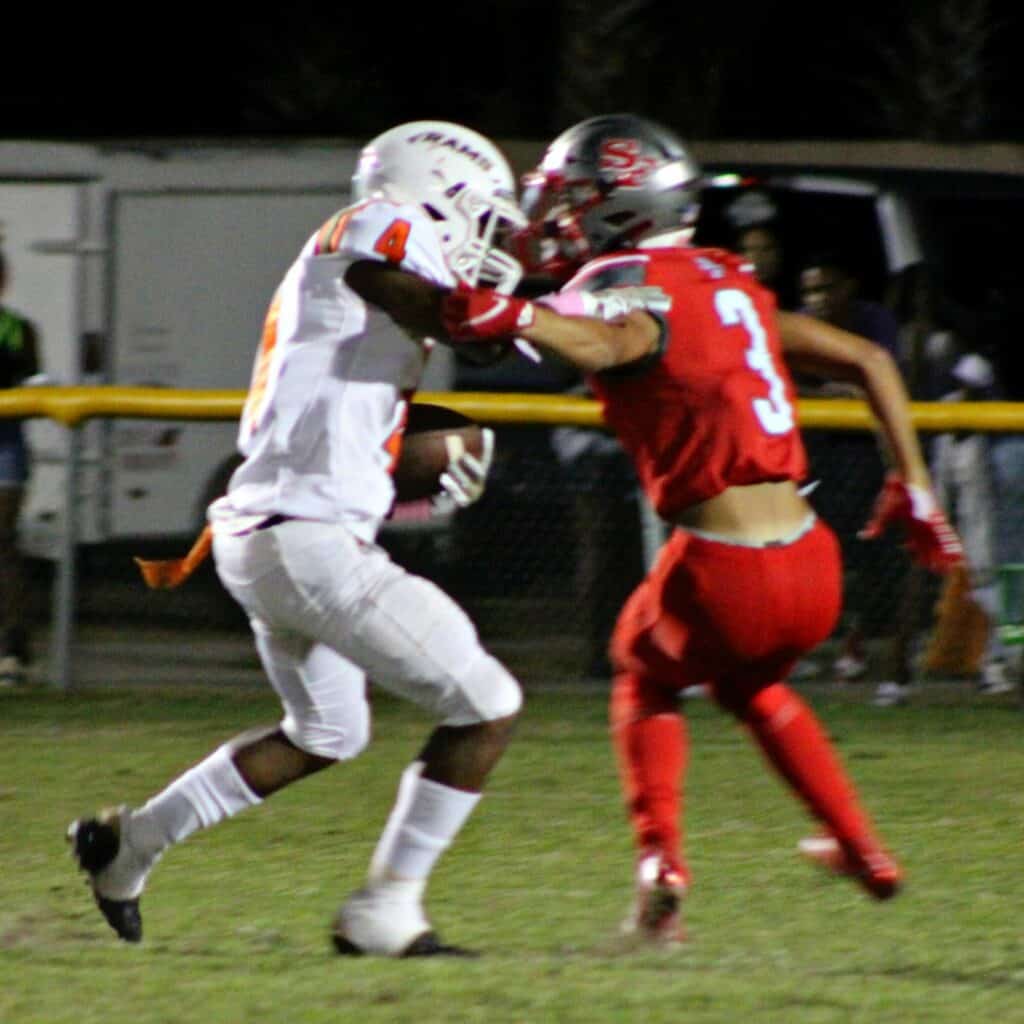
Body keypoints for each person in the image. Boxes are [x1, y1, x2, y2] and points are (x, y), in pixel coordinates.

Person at [440, 113, 963, 944]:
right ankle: (865, 852)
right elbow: (869, 361)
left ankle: (661, 869)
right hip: (808, 557)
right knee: (752, 687)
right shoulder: (727, 280)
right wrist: (916, 486)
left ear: (621, 209)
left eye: (573, 203)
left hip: (726, 568)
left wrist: (509, 314)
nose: (555, 219)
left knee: (641, 673)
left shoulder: (623, 283)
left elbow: (613, 340)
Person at [66, 120, 527, 957]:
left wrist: (424, 458)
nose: (487, 241)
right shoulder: (384, 224)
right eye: (483, 217)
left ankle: (129, 846)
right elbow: (447, 312)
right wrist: (558, 318)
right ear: (442, 191)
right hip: (302, 540)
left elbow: (359, 412)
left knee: (326, 733)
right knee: (489, 705)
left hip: (274, 534)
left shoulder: (370, 274)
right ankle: (385, 914)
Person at [794, 248, 906, 687]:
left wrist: (843, 391)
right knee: (804, 551)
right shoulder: (799, 322)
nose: (817, 298)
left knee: (863, 553)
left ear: (848, 287)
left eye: (826, 288)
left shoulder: (874, 320)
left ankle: (858, 642)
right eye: (810, 290)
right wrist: (838, 392)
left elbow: (883, 378)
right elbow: (784, 382)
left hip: (864, 450)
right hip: (810, 448)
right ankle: (798, 645)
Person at [0, 246, 41, 685]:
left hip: (4, 448)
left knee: (2, 545)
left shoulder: (16, 328)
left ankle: (13, 648)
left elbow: (31, 380)